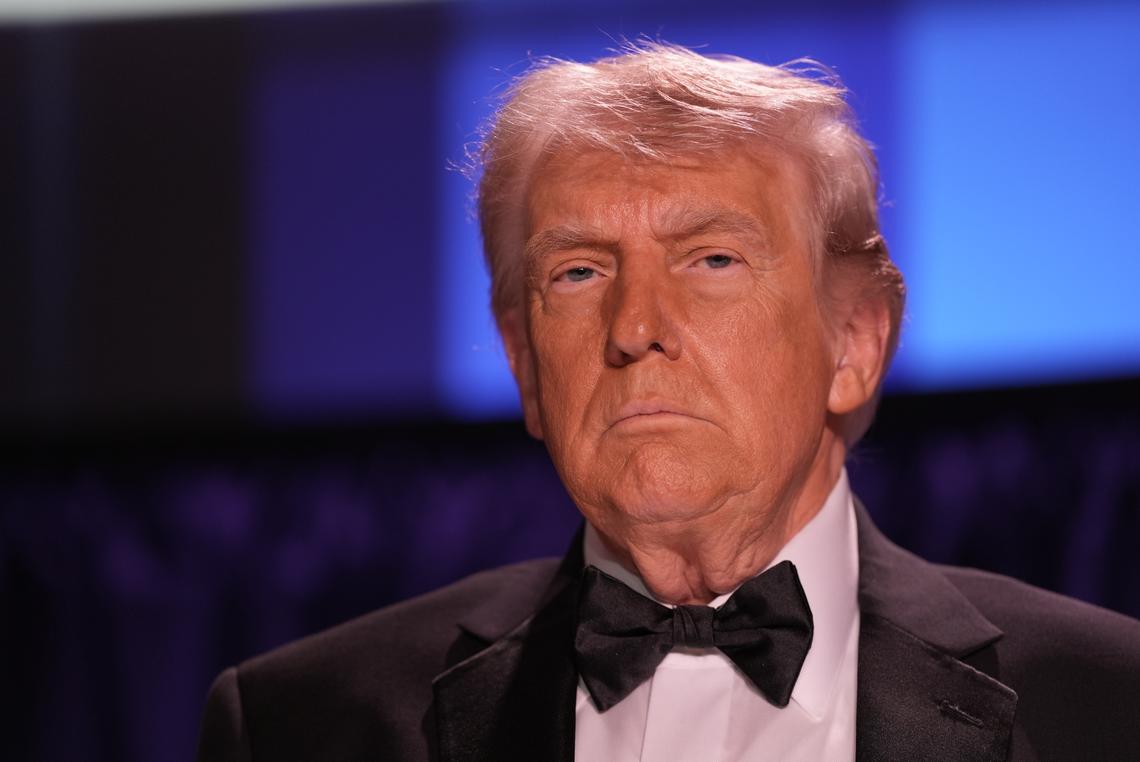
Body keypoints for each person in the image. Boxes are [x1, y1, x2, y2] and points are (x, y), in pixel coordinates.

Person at [196, 43, 1140, 761]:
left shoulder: (1109, 703)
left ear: (853, 343)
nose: (635, 326)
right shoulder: (298, 726)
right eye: (578, 271)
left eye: (712, 259)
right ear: (525, 365)